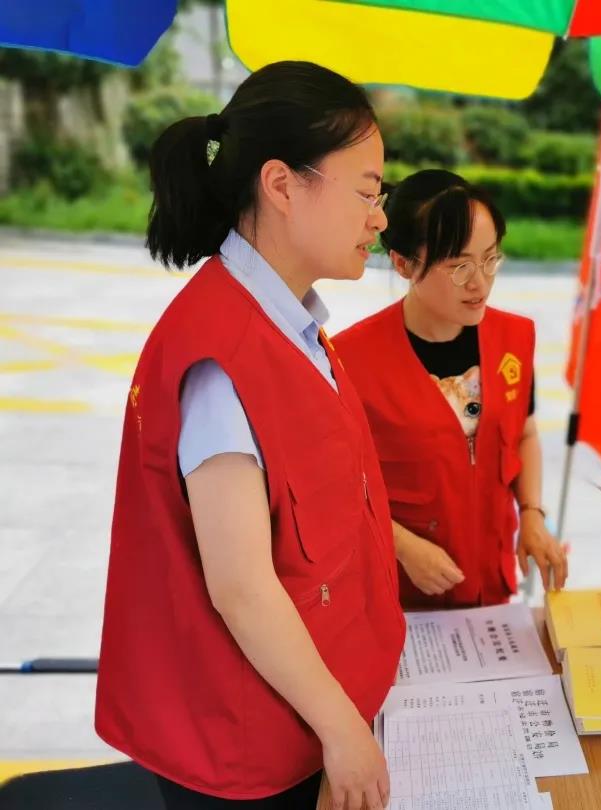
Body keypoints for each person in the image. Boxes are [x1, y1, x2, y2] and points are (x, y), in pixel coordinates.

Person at [95, 61, 405, 809]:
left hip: (303, 704)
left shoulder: (291, 325)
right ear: (282, 185)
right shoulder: (220, 356)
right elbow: (240, 586)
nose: (380, 219)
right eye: (368, 192)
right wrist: (343, 730)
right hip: (248, 740)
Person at [333, 169, 568, 609]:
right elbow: (332, 485)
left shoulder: (513, 340)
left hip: (489, 587)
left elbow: (525, 432)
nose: (480, 283)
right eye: (459, 267)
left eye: (490, 260)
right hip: (399, 594)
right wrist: (401, 544)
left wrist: (532, 514)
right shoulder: (349, 360)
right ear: (403, 263)